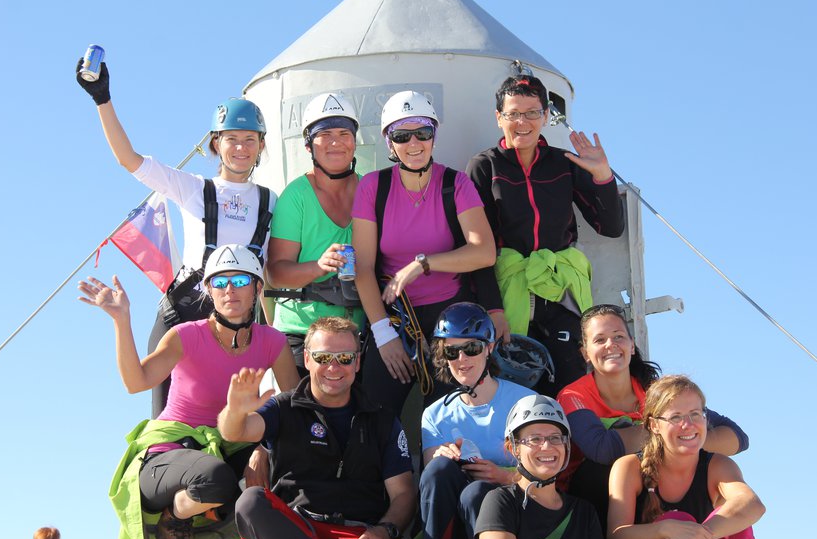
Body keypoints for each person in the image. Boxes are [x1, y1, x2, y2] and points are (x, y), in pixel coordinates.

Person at [77, 59, 277, 417]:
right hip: (184, 316)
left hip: (241, 323)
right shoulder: (194, 189)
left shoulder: (270, 201)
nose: (242, 148)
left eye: (250, 140)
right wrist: (102, 99)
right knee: (166, 418)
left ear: (261, 145)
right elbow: (129, 160)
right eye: (232, 139)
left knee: (242, 424)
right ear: (216, 144)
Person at [80, 244, 298, 539]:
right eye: (220, 282)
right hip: (167, 455)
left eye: (240, 281)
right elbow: (135, 381)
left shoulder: (272, 342)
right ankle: (172, 518)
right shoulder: (185, 335)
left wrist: (263, 449)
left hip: (229, 443)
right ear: (209, 290)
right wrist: (121, 320)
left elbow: (295, 408)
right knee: (217, 479)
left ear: (257, 288)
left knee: (290, 462)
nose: (230, 291)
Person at [218, 317, 424, 539]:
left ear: (358, 362)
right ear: (307, 358)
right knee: (250, 503)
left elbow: (403, 494)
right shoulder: (283, 407)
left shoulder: (383, 420)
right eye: (323, 357)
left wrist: (385, 530)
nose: (333, 367)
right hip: (298, 535)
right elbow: (235, 430)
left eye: (344, 358)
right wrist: (235, 411)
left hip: (358, 537)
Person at [466, 74, 626, 397]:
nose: (522, 122)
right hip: (509, 294)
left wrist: (603, 176)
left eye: (532, 113)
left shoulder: (562, 164)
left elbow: (610, 226)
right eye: (513, 114)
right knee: (510, 395)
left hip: (560, 295)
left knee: (569, 393)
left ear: (544, 117)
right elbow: (478, 249)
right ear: (499, 118)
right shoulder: (484, 167)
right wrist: (494, 311)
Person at [352, 90, 496, 416]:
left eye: (423, 132)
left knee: (453, 418)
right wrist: (383, 336)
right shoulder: (373, 187)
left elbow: (484, 251)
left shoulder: (456, 184)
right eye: (402, 135)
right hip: (394, 317)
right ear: (390, 143)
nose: (413, 143)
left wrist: (423, 264)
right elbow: (363, 267)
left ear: (434, 135)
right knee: (374, 417)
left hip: (450, 319)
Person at [557, 304, 748, 531]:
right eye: (600, 340)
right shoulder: (573, 395)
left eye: (619, 336)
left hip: (657, 490)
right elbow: (602, 449)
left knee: (700, 466)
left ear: (632, 346)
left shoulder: (656, 393)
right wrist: (675, 435)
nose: (611, 345)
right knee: (603, 470)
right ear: (585, 353)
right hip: (590, 500)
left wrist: (683, 436)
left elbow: (737, 438)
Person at [608, 375, 765, 539]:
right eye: (676, 417)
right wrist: (666, 529)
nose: (688, 425)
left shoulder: (717, 465)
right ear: (654, 425)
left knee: (736, 529)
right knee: (679, 520)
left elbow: (752, 505)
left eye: (695, 415)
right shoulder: (630, 466)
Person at [417, 303, 536, 539]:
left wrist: (504, 476)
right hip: (458, 524)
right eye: (451, 352)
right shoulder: (434, 413)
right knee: (437, 470)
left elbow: (549, 475)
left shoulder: (526, 402)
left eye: (471, 348)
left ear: (489, 348)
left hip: (515, 516)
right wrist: (441, 455)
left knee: (478, 494)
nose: (462, 359)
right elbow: (433, 481)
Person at [472, 395, 626, 539]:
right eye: (534, 439)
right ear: (514, 448)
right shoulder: (500, 501)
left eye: (556, 438)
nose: (547, 446)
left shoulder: (583, 512)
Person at [266, 92, 365, 377]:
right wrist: (318, 267)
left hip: (355, 333)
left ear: (354, 141)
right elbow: (276, 273)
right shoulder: (296, 197)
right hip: (301, 332)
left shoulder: (368, 191)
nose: (336, 142)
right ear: (309, 144)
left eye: (344, 132)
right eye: (325, 134)